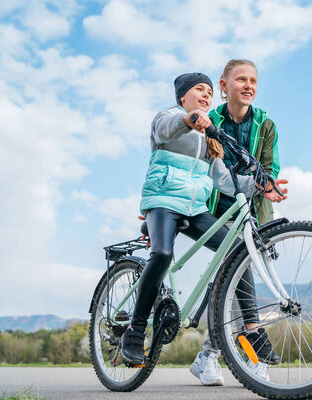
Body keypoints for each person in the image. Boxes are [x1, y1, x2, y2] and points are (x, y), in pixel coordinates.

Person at [121, 73, 287, 386]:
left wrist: (261, 186)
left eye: (210, 92)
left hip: (196, 209)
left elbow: (224, 181)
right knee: (162, 253)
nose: (207, 95)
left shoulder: (210, 137)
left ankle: (251, 329)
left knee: (239, 250)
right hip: (163, 201)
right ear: (183, 96)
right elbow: (166, 128)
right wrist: (188, 119)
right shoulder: (169, 118)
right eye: (200, 89)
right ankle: (136, 328)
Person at [189, 60, 286, 384]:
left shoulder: (266, 124)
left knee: (231, 277)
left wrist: (268, 184)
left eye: (253, 80)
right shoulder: (209, 120)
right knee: (235, 269)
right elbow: (195, 164)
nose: (248, 85)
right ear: (224, 85)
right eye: (241, 79)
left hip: (253, 208)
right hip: (216, 207)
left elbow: (269, 166)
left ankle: (210, 355)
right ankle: (250, 348)